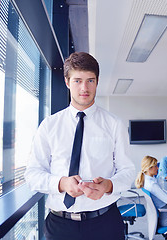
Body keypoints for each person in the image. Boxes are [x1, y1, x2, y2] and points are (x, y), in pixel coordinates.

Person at [24, 52, 135, 240]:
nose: (84, 88)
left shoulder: (114, 124)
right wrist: (61, 183)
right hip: (60, 226)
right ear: (67, 82)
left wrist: (109, 185)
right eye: (77, 81)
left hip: (105, 222)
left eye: (90, 80)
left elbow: (128, 170)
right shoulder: (49, 126)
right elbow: (32, 174)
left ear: (97, 81)